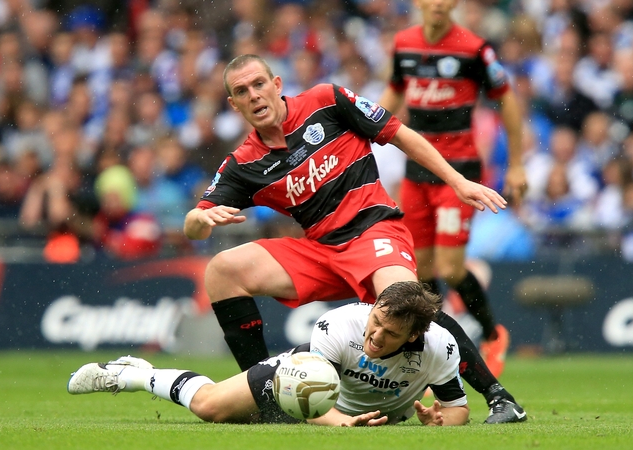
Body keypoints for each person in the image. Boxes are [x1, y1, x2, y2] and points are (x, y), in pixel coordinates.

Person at [182, 54, 524, 423]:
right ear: (233, 104)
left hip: (374, 230)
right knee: (222, 269)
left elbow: (401, 134)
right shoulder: (245, 163)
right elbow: (195, 222)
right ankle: (267, 402)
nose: (254, 95)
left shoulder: (326, 101)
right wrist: (199, 218)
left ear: (276, 84)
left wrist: (457, 180)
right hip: (320, 249)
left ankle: (500, 398)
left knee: (409, 304)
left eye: (259, 84)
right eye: (242, 91)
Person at [67, 281, 473, 426]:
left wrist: (441, 421)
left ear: (414, 335)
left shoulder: (440, 346)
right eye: (376, 321)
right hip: (299, 380)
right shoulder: (341, 324)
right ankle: (133, 374)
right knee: (210, 407)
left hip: (352, 412)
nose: (376, 336)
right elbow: (311, 396)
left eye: (390, 334)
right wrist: (342, 425)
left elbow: (457, 408)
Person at [377, 0, 528, 377]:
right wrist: (362, 130)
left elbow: (506, 100)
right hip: (417, 171)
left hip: (459, 175)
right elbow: (394, 93)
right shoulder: (404, 44)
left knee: (450, 266)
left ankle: (493, 334)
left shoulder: (474, 49)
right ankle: (439, 348)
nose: (440, 3)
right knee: (422, 269)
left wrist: (518, 162)